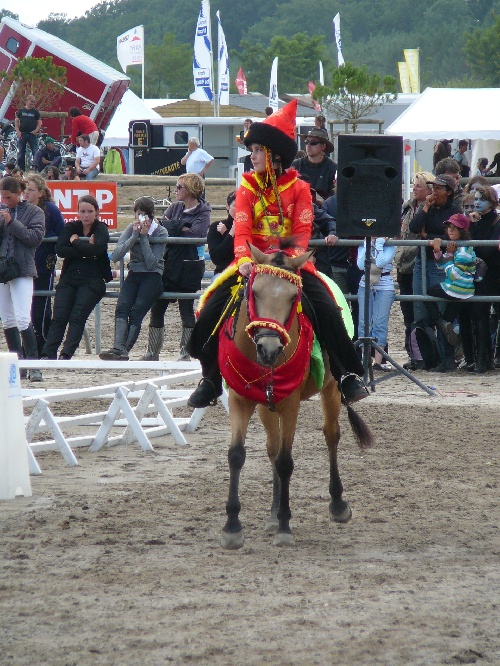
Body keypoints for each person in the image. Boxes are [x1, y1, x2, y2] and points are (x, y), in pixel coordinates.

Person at [186, 99, 367, 408]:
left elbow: (303, 233)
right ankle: (211, 378)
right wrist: (244, 260)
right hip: (251, 264)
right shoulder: (246, 188)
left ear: (274, 156)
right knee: (209, 310)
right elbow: (241, 230)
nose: (252, 156)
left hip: (290, 267)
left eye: (257, 150)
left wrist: (285, 262)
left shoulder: (299, 190)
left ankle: (347, 374)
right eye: (252, 150)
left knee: (327, 310)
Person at [140, 173, 210, 362]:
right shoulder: (174, 207)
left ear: (190, 189)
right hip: (169, 263)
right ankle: (152, 351)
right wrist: (182, 227)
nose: (176, 190)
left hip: (189, 266)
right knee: (158, 306)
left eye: (179, 187)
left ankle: (185, 352)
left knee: (186, 308)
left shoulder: (203, 211)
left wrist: (175, 227)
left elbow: (197, 234)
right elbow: (163, 229)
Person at [41, 195, 110, 360]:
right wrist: (86, 248)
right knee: (59, 317)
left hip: (93, 279)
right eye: (82, 211)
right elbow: (61, 250)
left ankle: (66, 354)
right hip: (69, 278)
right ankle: (47, 353)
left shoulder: (101, 228)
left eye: (90, 212)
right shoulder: (71, 226)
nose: (86, 215)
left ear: (97, 212)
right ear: (78, 212)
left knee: (77, 317)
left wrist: (76, 243)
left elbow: (98, 250)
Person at [99, 197, 168, 360]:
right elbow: (116, 255)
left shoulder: (160, 232)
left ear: (151, 216)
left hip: (152, 277)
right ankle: (118, 348)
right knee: (122, 307)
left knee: (136, 312)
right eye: (138, 215)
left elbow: (152, 264)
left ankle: (124, 350)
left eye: (145, 216)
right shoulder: (131, 228)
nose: (141, 219)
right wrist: (134, 236)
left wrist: (144, 238)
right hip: (134, 274)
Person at [409, 174, 461, 371]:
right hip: (422, 261)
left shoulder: (453, 210)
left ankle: (446, 358)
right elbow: (415, 228)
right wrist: (426, 207)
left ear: (448, 191)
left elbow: (451, 235)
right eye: (433, 187)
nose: (434, 191)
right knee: (420, 308)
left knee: (440, 310)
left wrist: (428, 236)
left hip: (441, 264)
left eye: (439, 188)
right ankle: (427, 358)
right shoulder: (428, 208)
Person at [0, 176, 44, 381]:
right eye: (3, 198)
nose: (5, 201)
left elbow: (34, 238)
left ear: (19, 193)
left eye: (8, 197)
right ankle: (18, 365)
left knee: (23, 317)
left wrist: (12, 222)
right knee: (8, 320)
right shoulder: (2, 211)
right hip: (3, 270)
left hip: (22, 269)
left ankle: (33, 364)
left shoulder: (35, 212)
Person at [426, 214, 476, 373]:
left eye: (454, 228)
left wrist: (447, 256)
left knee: (428, 293)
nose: (450, 230)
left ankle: (440, 321)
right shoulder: (457, 247)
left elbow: (452, 273)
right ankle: (448, 359)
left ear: (462, 230)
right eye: (449, 227)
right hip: (459, 288)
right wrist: (438, 252)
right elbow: (443, 266)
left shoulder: (463, 250)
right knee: (448, 323)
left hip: (458, 288)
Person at [460, 186, 500, 373]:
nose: (476, 203)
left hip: (494, 273)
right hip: (478, 274)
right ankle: (481, 359)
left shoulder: (497, 221)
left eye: (481, 199)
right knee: (478, 315)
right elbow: (469, 244)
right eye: (476, 199)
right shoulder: (476, 221)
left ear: (491, 202)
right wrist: (472, 225)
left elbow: (488, 249)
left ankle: (490, 358)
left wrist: (476, 248)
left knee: (491, 315)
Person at [24, 174, 65, 356]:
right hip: (24, 264)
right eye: (25, 190)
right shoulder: (22, 208)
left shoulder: (50, 209)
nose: (27, 194)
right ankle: (28, 348)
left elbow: (61, 234)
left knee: (41, 307)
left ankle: (45, 348)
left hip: (43, 264)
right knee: (25, 309)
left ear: (41, 192)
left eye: (31, 190)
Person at [396, 172, 434, 365]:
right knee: (408, 313)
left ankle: (424, 355)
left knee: (421, 313)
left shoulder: (430, 209)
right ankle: (413, 354)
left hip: (419, 262)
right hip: (403, 264)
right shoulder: (406, 207)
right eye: (414, 185)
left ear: (429, 189)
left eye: (419, 185)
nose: (415, 188)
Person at [357, 237, 397, 371]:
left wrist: (379, 244)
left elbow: (380, 262)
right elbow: (361, 265)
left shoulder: (390, 246)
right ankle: (365, 359)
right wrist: (367, 244)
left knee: (380, 322)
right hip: (366, 282)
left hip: (385, 284)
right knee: (364, 322)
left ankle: (378, 362)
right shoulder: (364, 245)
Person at [292, 128, 337, 199]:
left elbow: (334, 199)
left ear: (323, 146)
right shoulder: (295, 165)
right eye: (306, 142)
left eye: (313, 143)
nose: (308, 145)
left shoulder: (333, 169)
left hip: (323, 209)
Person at [207, 191, 235, 276]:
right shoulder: (217, 226)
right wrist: (230, 234)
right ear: (227, 206)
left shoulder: (251, 226)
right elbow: (216, 258)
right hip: (223, 272)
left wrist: (226, 233)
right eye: (236, 206)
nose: (240, 209)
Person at [15, 95, 42, 172]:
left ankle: (36, 168)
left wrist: (36, 130)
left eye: (34, 102)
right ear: (27, 101)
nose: (32, 103)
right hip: (22, 133)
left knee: (35, 151)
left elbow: (39, 122)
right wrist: (18, 131)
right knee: (21, 152)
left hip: (32, 134)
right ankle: (21, 169)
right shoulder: (21, 111)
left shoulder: (35, 112)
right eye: (31, 101)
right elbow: (16, 121)